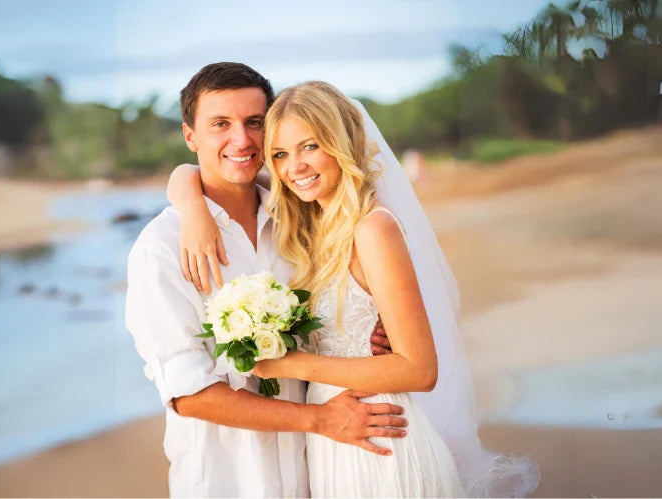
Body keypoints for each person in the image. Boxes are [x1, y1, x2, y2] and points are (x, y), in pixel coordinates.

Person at [169, 81, 541, 497]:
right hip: (333, 443)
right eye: (280, 154)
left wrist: (291, 365)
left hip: (380, 440)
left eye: (311, 146)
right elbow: (190, 172)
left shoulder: (373, 229)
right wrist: (191, 203)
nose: (295, 167)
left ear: (341, 144)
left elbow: (420, 369)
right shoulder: (310, 228)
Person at [125, 63, 409, 498]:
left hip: (319, 469)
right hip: (230, 478)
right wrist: (320, 420)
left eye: (254, 123)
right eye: (220, 124)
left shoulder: (300, 219)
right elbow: (188, 392)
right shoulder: (160, 248)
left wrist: (376, 321)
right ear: (190, 137)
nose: (241, 140)